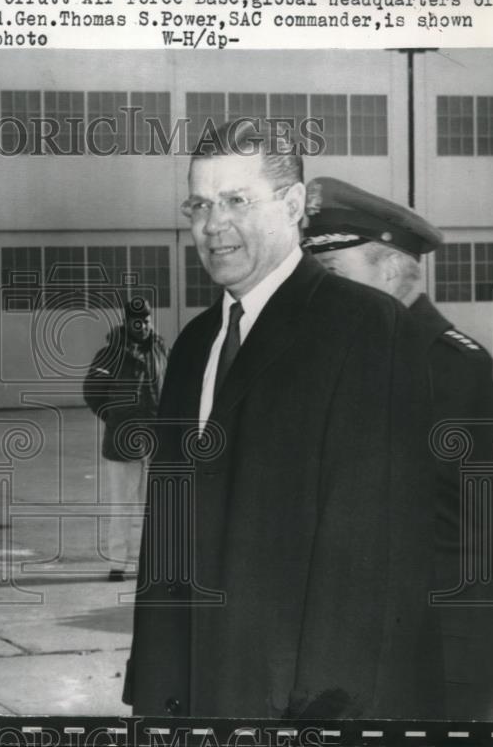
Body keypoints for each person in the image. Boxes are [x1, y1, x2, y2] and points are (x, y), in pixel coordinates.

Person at [124, 121, 443, 719]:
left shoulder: (364, 328)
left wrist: (324, 713)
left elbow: (370, 550)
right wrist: (154, 685)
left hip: (293, 701)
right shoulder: (195, 343)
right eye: (200, 205)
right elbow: (168, 529)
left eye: (236, 201)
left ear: (293, 205)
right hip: (193, 688)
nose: (212, 225)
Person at [302, 176, 493, 720]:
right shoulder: (339, 362)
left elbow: (468, 548)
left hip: (436, 666)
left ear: (393, 268)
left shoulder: (457, 372)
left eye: (333, 276)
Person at [83, 297, 169, 581]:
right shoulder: (109, 354)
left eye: (146, 319)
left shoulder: (160, 349)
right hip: (122, 442)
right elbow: (93, 393)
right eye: (137, 320)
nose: (143, 325)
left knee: (153, 505)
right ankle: (118, 564)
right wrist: (117, 420)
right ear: (126, 322)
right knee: (122, 505)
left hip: (155, 440)